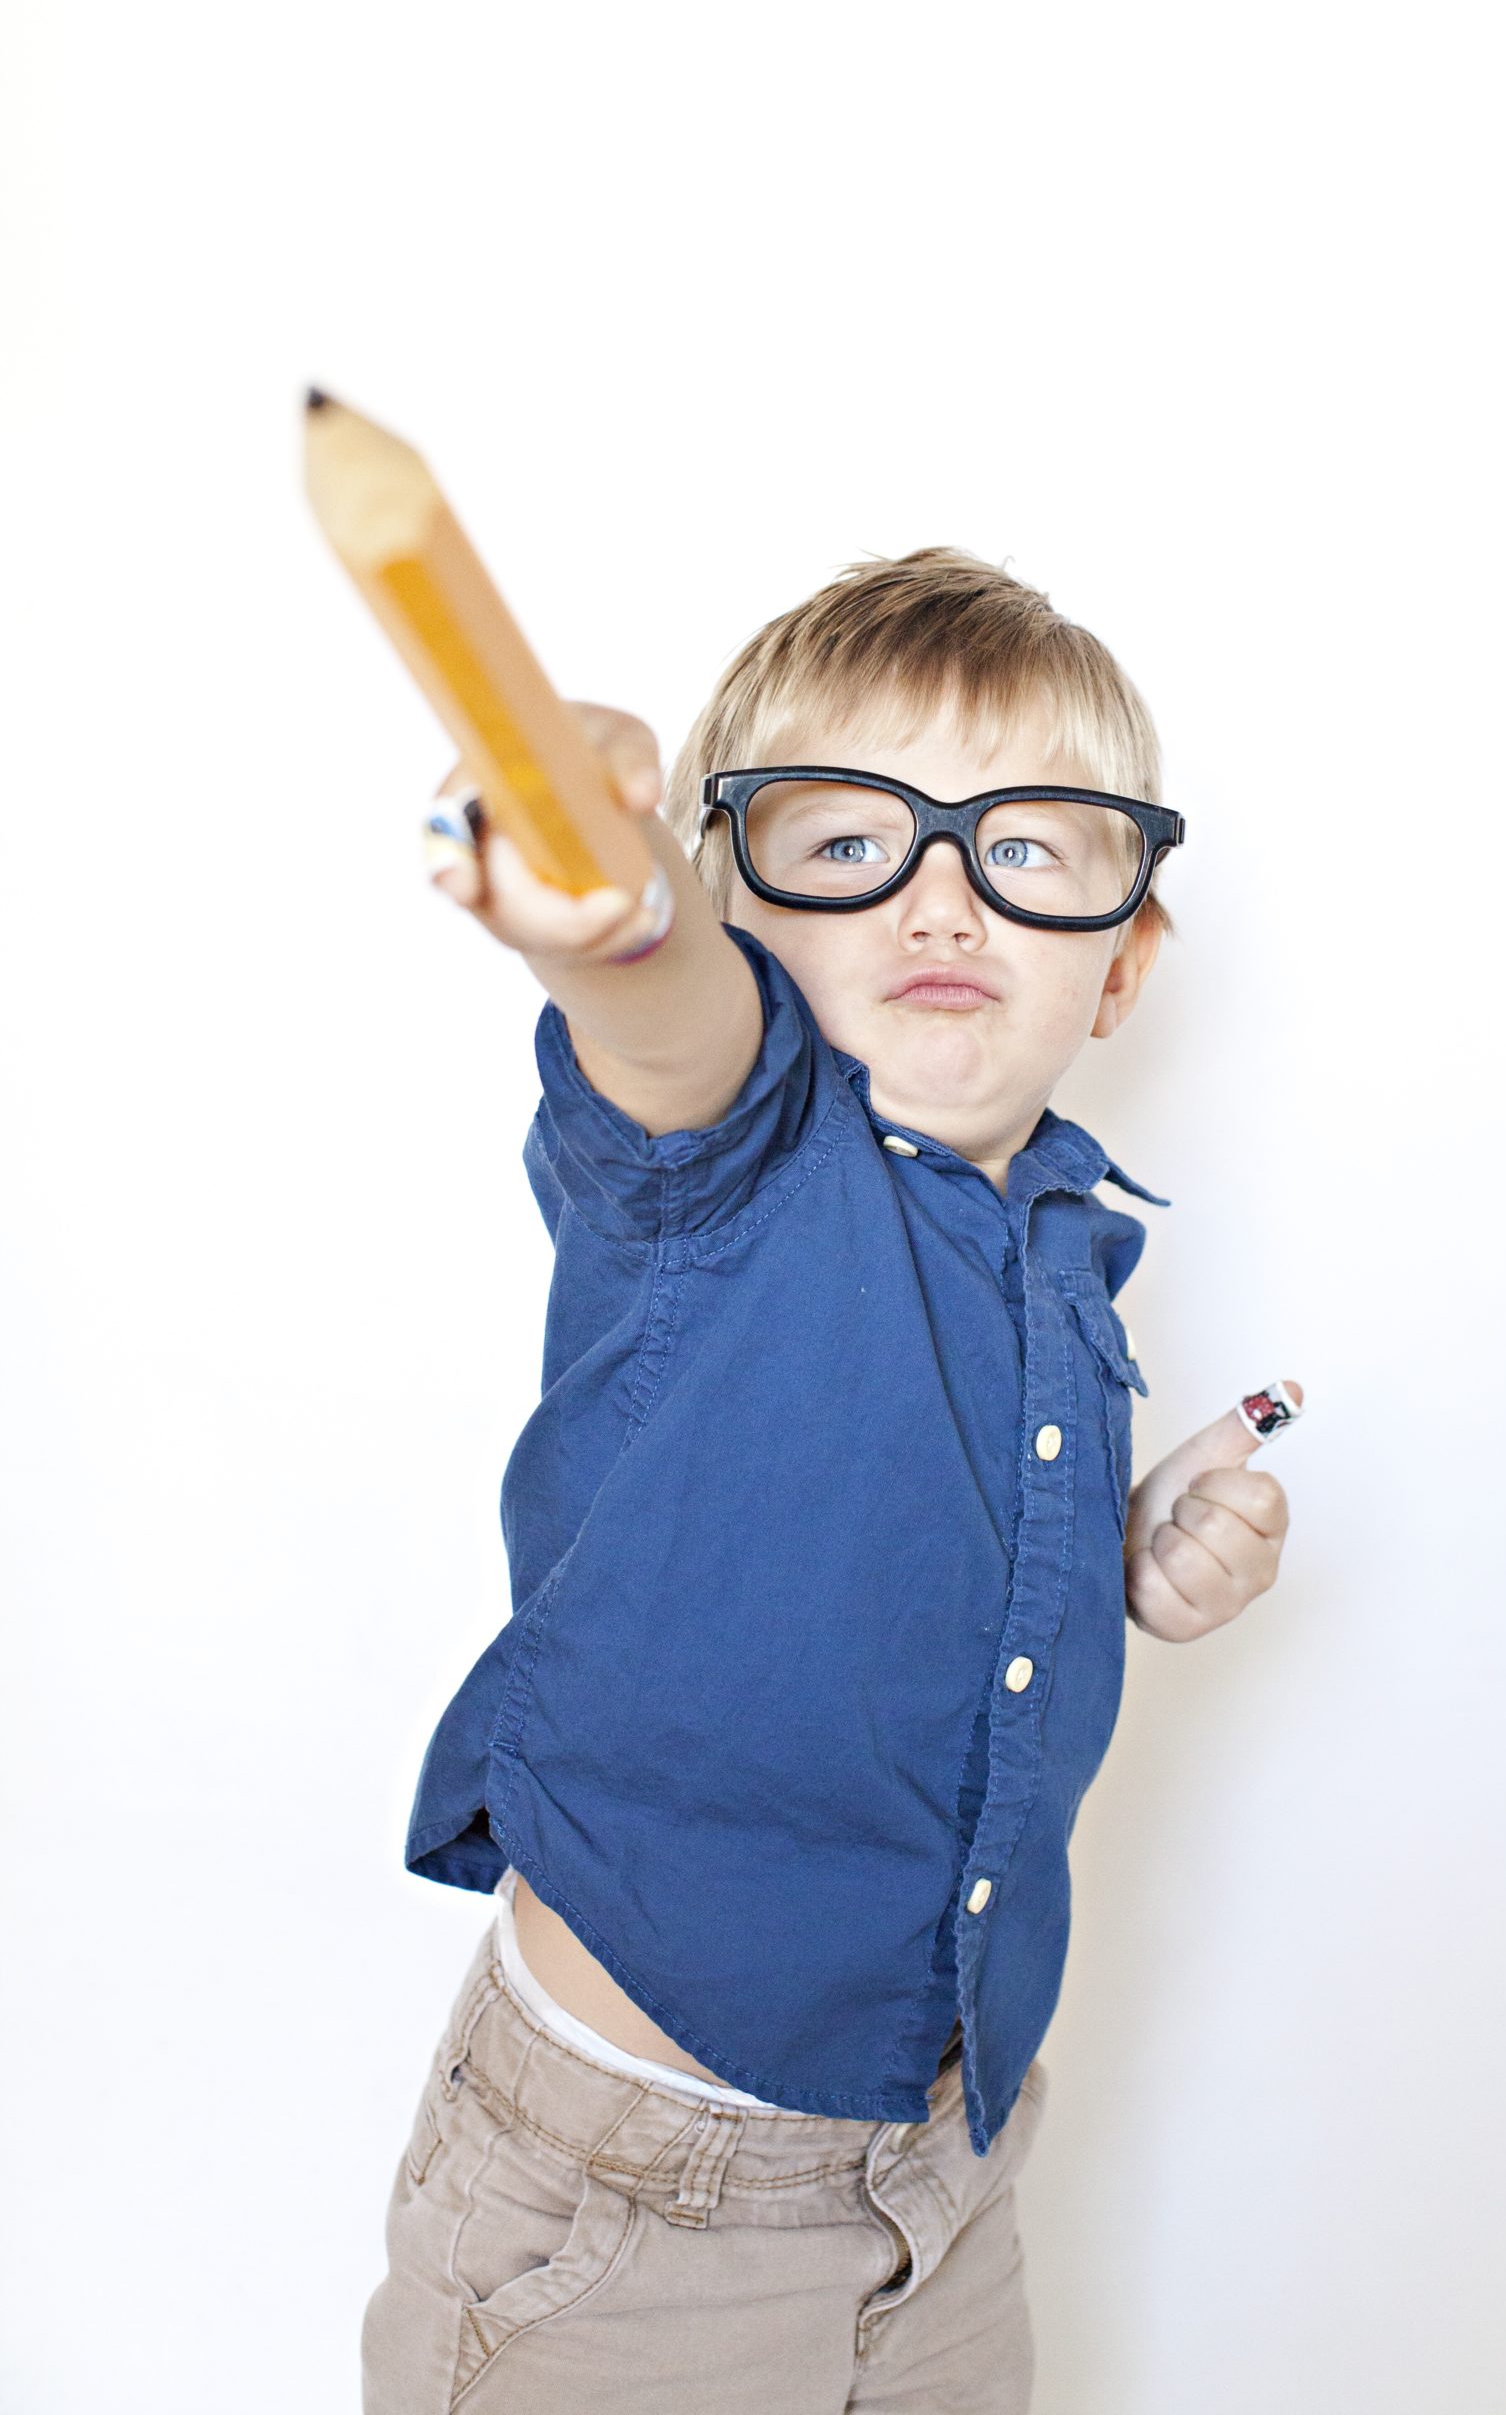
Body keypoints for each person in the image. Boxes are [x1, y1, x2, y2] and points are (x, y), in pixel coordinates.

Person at [361, 546, 1301, 2412]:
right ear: (736, 903)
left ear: (1125, 964)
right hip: (635, 2210)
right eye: (847, 841)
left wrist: (1123, 1561)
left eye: (1028, 850)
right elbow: (658, 1009)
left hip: (947, 2167)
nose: (942, 893)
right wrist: (608, 899)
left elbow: (897, 1541)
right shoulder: (724, 1155)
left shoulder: (1060, 1241)